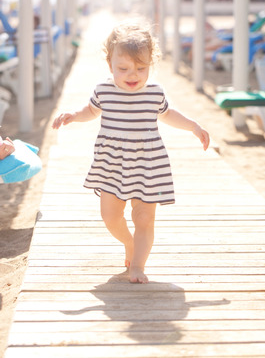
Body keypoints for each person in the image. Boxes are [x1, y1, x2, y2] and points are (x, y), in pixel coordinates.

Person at [52, 20, 210, 284]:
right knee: (110, 216)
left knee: (144, 217)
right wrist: (73, 115)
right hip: (112, 163)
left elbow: (168, 114)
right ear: (110, 65)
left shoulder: (154, 93)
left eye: (141, 67)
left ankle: (137, 265)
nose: (132, 74)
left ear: (151, 63)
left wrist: (193, 126)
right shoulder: (104, 90)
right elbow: (90, 111)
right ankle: (129, 243)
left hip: (148, 163)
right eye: (123, 68)